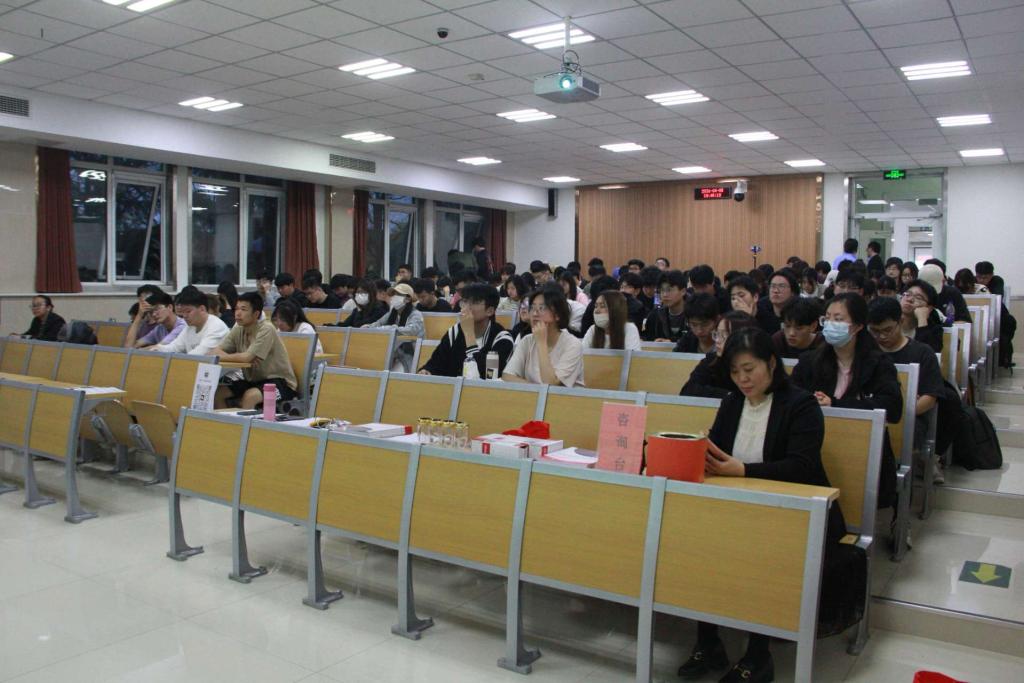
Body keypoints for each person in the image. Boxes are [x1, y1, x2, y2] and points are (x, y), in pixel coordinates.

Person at [678, 327, 846, 683]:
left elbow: (801, 467)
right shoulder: (732, 402)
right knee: (697, 542)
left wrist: (743, 470)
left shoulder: (800, 405)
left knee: (759, 550)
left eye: (749, 369)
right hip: (739, 506)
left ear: (771, 364)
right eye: (735, 372)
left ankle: (758, 655)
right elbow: (718, 452)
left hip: (795, 512)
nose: (742, 379)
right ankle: (708, 641)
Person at [791, 293, 902, 510]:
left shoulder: (878, 363)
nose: (831, 324)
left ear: (858, 326)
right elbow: (790, 398)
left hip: (863, 449)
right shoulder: (810, 361)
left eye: (839, 319)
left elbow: (892, 408)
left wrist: (835, 405)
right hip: (817, 444)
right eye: (827, 318)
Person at [868, 296, 948, 481]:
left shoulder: (922, 352)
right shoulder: (867, 352)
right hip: (872, 415)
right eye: (875, 331)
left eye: (887, 330)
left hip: (911, 419)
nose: (882, 337)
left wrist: (903, 411)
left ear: (901, 322)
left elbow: (930, 397)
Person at [212, 292, 297, 410]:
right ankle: (226, 422)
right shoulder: (238, 328)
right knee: (218, 393)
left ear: (256, 314)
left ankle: (243, 423)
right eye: (236, 308)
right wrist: (242, 356)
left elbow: (247, 358)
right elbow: (215, 351)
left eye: (243, 309)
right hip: (253, 380)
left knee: (250, 396)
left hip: (281, 382)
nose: (238, 313)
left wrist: (243, 357)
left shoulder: (266, 329)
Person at [419, 283, 514, 377]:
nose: (466, 307)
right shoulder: (454, 332)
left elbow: (488, 376)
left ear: (490, 311)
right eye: (464, 301)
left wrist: (469, 333)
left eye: (475, 302)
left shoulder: (502, 339)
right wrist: (427, 371)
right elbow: (435, 364)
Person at [502, 285, 584, 387]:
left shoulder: (573, 345)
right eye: (532, 308)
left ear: (557, 315)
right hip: (533, 396)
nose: (534, 314)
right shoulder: (527, 340)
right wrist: (535, 390)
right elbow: (507, 376)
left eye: (541, 308)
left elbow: (551, 386)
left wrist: (541, 343)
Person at [680, 311, 758, 399]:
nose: (717, 340)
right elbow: (688, 390)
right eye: (717, 334)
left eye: (724, 335)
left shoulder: (756, 366)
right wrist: (729, 395)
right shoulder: (710, 361)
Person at [153, 286, 229, 355]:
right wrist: (157, 349)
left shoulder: (217, 327)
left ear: (202, 309)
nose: (184, 316)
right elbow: (174, 347)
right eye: (182, 312)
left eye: (188, 311)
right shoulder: (190, 326)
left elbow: (200, 354)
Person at [641, 269, 687, 342]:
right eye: (662, 290)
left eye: (669, 290)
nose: (665, 295)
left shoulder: (693, 315)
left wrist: (671, 342)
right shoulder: (654, 316)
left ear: (683, 291)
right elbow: (647, 339)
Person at [898, 279, 944, 352]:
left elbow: (928, 354)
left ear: (929, 308)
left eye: (918, 298)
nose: (909, 299)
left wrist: (922, 320)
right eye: (907, 294)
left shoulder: (935, 330)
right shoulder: (890, 321)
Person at [755, 269, 797, 335]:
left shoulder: (800, 313)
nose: (776, 291)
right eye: (773, 286)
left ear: (792, 292)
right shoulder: (759, 311)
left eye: (781, 286)